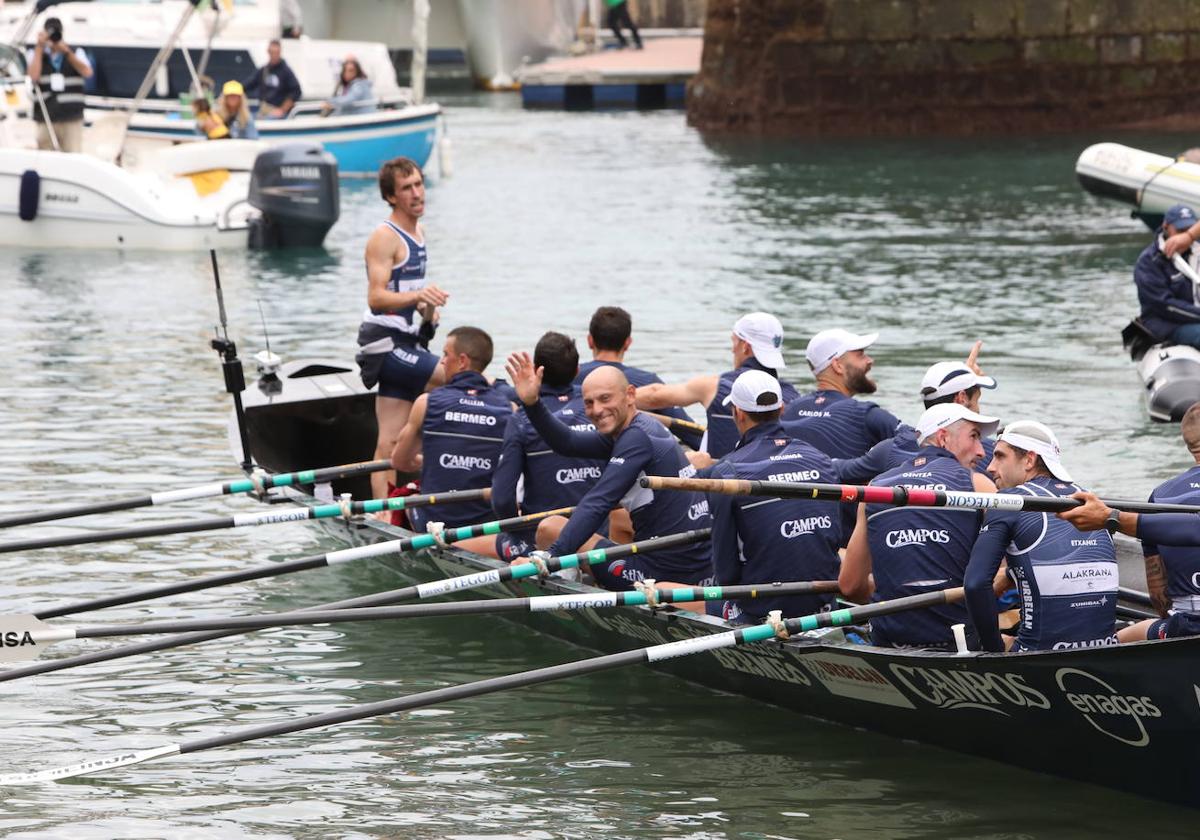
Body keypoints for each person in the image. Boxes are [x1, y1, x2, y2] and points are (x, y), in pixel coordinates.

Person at [504, 353, 714, 591]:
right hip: (700, 566)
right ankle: (590, 578)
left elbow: (599, 501)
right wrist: (532, 403)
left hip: (665, 573)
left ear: (631, 395)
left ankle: (566, 590)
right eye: (589, 403)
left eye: (605, 399)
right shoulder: (641, 426)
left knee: (550, 528)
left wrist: (550, 556)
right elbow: (568, 442)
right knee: (618, 516)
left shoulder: (635, 439)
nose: (597, 410)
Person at [840, 403, 999, 650]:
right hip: (957, 643)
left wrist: (896, 591)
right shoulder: (980, 487)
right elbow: (1004, 577)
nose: (981, 451)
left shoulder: (875, 488)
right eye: (974, 437)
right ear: (943, 437)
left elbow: (849, 586)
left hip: (889, 643)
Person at [964, 421, 1119, 652]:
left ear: (1029, 459)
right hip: (1105, 647)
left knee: (969, 637)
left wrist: (993, 649)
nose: (990, 467)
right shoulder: (1091, 500)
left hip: (1036, 653)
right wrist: (1010, 573)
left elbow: (975, 585)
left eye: (999, 456)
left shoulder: (1008, 502)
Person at [707, 370, 842, 624]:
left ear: (738, 413)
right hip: (823, 602)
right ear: (781, 408)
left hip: (761, 610)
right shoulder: (822, 461)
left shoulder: (727, 473)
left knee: (708, 595)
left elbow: (726, 575)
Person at [1059, 403, 1200, 642]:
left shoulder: (1161, 497)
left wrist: (1110, 518)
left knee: (1123, 637)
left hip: (1183, 627)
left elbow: (1159, 597)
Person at [356, 157, 449, 501]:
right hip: (383, 343)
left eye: (419, 184)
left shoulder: (418, 232)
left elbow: (406, 296)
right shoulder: (384, 237)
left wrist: (427, 310)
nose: (417, 193)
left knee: (390, 439)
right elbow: (377, 297)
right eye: (407, 188)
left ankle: (383, 510)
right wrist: (418, 296)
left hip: (407, 340)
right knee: (460, 379)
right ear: (391, 197)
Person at [390, 326, 512, 556]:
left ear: (463, 361)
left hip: (435, 522)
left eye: (446, 354)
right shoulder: (509, 409)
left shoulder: (426, 402)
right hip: (486, 525)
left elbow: (400, 462)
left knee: (408, 499)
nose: (442, 361)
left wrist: (433, 461)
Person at [491, 331, 604, 560]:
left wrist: (519, 533)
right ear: (577, 371)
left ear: (536, 371)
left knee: (468, 544)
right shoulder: (599, 411)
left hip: (542, 539)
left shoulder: (522, 419)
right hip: (599, 537)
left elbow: (502, 499)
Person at [635, 312, 798, 460]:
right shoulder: (794, 396)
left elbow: (653, 396)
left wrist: (617, 398)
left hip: (719, 480)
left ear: (745, 346)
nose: (732, 350)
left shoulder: (712, 386)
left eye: (733, 342)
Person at [836, 344, 998, 483]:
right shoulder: (992, 452)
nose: (978, 409)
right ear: (962, 398)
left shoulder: (890, 448)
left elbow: (835, 469)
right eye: (977, 400)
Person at [574, 306, 701, 450]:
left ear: (590, 341)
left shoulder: (568, 376)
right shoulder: (649, 381)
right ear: (628, 343)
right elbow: (694, 436)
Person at [784, 328, 901, 459]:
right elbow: (919, 446)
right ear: (837, 366)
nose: (870, 360)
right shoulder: (864, 415)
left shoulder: (787, 410)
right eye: (861, 355)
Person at [1132, 204, 1200, 351]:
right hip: (1166, 323)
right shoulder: (1149, 261)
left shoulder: (1197, 251)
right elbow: (1165, 305)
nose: (1184, 235)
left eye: (1189, 229)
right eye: (1180, 230)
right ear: (1166, 227)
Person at [27, 17, 93, 153]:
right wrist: (39, 47)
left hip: (71, 116)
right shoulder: (35, 54)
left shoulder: (75, 52)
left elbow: (87, 72)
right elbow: (33, 77)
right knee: (46, 157)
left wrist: (67, 52)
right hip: (46, 117)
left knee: (73, 155)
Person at [242, 39, 301, 119]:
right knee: (246, 119)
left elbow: (296, 91)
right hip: (264, 109)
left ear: (280, 52)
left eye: (276, 53)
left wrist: (282, 110)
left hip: (278, 112)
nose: (274, 55)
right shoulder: (264, 70)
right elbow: (248, 84)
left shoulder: (286, 71)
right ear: (268, 52)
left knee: (268, 119)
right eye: (271, 52)